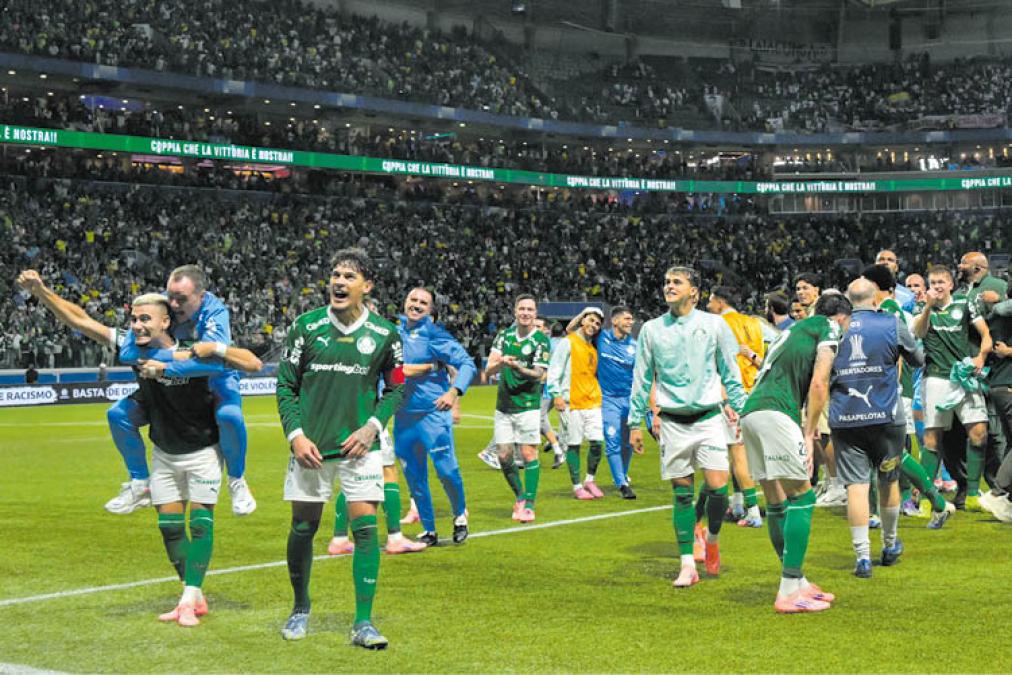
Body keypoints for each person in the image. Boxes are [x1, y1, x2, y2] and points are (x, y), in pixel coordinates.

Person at [15, 272, 261, 626]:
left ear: (165, 322)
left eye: (145, 319)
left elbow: (250, 363)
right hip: (163, 449)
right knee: (170, 528)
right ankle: (140, 486)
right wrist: (41, 291)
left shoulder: (192, 349)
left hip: (201, 449)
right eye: (133, 319)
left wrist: (181, 362)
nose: (136, 325)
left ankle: (189, 597)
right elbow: (81, 320)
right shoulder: (131, 345)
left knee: (200, 523)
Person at [276, 248, 405, 648]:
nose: (339, 282)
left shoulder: (385, 334)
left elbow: (396, 387)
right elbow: (286, 385)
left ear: (367, 286)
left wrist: (371, 427)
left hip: (360, 449)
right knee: (303, 528)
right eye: (335, 274)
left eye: (349, 276)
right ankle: (300, 608)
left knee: (365, 531)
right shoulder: (306, 327)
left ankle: (363, 622)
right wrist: (296, 435)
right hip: (311, 448)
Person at [628, 267, 747, 588]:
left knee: (718, 488)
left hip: (709, 418)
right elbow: (642, 377)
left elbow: (730, 372)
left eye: (676, 282)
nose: (669, 286)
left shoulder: (715, 325)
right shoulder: (652, 329)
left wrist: (743, 410)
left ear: (694, 291)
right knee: (681, 495)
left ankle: (712, 538)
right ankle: (687, 565)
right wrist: (635, 422)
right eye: (666, 282)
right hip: (672, 423)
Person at [106, 265, 256, 518]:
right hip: (167, 375)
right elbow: (129, 353)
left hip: (215, 378)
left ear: (201, 296)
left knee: (230, 417)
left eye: (181, 299)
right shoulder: (159, 307)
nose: (173, 304)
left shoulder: (214, 311)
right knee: (118, 414)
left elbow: (214, 363)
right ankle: (140, 483)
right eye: (170, 296)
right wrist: (178, 356)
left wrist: (166, 365)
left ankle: (237, 481)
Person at [830, 279, 951, 580]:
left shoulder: (834, 327)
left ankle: (862, 558)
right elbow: (918, 359)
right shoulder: (890, 323)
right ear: (876, 300)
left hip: (846, 417)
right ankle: (889, 544)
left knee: (856, 487)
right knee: (888, 480)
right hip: (886, 416)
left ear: (848, 300)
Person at [740, 292, 851, 613]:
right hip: (777, 413)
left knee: (775, 500)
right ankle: (788, 589)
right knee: (803, 496)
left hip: (752, 412)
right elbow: (819, 382)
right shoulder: (829, 327)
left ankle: (796, 578)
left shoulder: (793, 331)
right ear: (842, 317)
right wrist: (809, 430)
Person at [328, 296, 428, 556]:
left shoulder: (334, 339)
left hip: (338, 417)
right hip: (367, 418)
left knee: (352, 478)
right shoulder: (370, 341)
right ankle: (395, 538)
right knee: (388, 473)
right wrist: (425, 367)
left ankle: (339, 539)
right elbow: (396, 373)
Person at [861, 265, 953, 524]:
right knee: (885, 451)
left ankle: (921, 501)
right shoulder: (880, 310)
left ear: (874, 286)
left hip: (886, 391)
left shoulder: (888, 309)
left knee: (892, 451)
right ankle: (886, 508)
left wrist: (890, 384)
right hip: (882, 390)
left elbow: (898, 351)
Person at [393, 287, 477, 546]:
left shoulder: (434, 334)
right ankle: (429, 529)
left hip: (432, 414)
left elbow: (467, 364)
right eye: (413, 299)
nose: (416, 305)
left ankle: (460, 516)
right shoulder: (391, 334)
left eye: (423, 302)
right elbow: (384, 371)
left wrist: (453, 392)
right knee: (414, 476)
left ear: (430, 310)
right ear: (405, 302)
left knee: (446, 470)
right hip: (403, 417)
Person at [912, 265, 992, 512]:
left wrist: (981, 357)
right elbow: (918, 333)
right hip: (936, 379)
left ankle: (971, 494)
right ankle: (927, 498)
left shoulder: (964, 303)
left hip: (964, 376)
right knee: (932, 439)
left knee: (979, 433)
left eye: (940, 282)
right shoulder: (921, 307)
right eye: (932, 283)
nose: (936, 286)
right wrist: (927, 307)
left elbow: (986, 334)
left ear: (950, 285)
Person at [485, 294, 552, 523]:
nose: (525, 313)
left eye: (530, 309)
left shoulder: (541, 341)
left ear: (535, 313)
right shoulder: (504, 336)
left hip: (528, 405)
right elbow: (488, 370)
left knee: (528, 453)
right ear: (515, 311)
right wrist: (501, 362)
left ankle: (529, 504)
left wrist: (519, 368)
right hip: (504, 405)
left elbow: (539, 374)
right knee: (504, 455)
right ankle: (520, 496)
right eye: (522, 309)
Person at [707, 286, 765, 526]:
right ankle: (738, 504)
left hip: (732, 395)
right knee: (739, 451)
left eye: (710, 300)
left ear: (720, 302)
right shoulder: (754, 323)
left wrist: (725, 397)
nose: (708, 305)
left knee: (738, 454)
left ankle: (753, 513)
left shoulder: (718, 324)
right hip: (754, 393)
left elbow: (716, 363)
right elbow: (763, 360)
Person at [574, 306, 639, 498]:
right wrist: (585, 313)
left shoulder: (635, 346)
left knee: (627, 443)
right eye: (627, 318)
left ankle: (622, 475)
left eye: (632, 319)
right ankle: (622, 485)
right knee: (612, 441)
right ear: (615, 321)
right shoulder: (600, 337)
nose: (631, 322)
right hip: (608, 400)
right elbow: (571, 330)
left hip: (629, 399)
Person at [550, 307, 608, 500]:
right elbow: (555, 368)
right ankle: (577, 486)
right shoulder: (568, 342)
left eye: (597, 323)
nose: (594, 325)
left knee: (597, 443)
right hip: (572, 402)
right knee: (574, 445)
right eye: (591, 320)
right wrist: (556, 394)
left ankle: (590, 480)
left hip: (592, 401)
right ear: (582, 320)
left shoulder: (593, 347)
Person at [535, 316, 566, 469]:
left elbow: (550, 368)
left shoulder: (548, 344)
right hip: (561, 386)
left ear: (548, 330)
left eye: (539, 326)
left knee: (538, 417)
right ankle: (556, 440)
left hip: (550, 386)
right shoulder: (565, 343)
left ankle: (558, 449)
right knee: (537, 417)